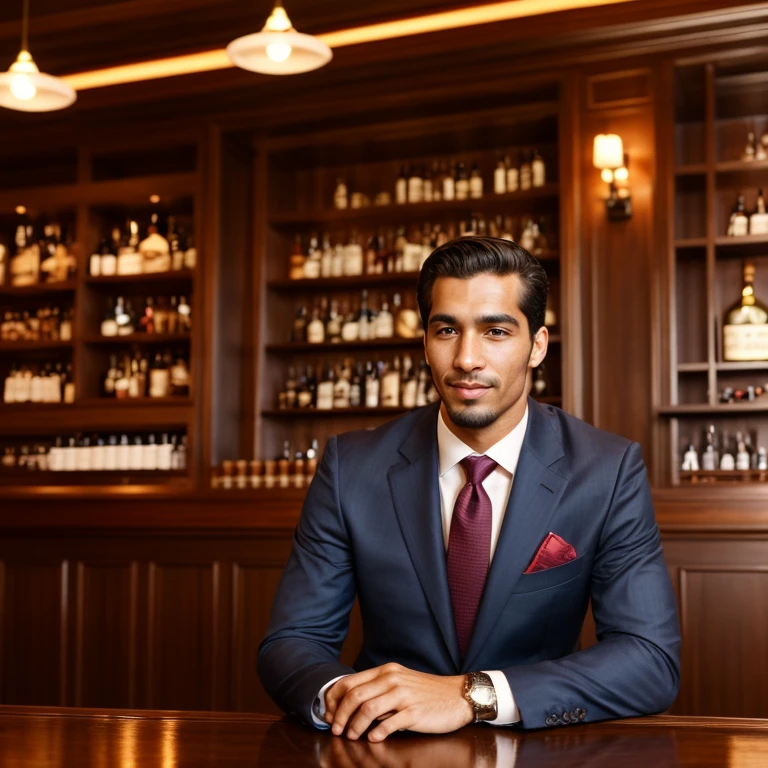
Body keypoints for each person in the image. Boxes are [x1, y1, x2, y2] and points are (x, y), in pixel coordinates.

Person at [258, 236, 681, 742]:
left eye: (495, 331)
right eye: (447, 330)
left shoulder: (607, 470)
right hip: (383, 744)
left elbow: (649, 659)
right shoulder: (351, 466)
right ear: (425, 343)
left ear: (537, 346)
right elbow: (291, 642)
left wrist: (470, 696)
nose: (466, 358)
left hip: (536, 747)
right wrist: (354, 700)